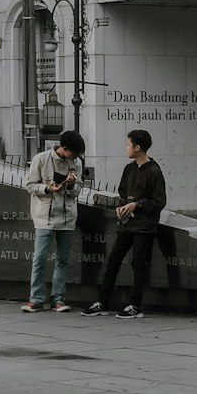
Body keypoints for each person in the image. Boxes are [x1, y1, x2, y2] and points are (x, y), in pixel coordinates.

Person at [82, 128, 166, 320]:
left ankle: (136, 305)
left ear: (137, 147)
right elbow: (122, 193)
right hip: (127, 224)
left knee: (139, 264)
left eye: (128, 144)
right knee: (113, 261)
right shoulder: (129, 169)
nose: (126, 147)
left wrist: (137, 204)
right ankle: (102, 302)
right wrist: (122, 206)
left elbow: (159, 201)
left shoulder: (154, 171)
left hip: (145, 226)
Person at [21, 129, 85, 312]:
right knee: (40, 258)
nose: (74, 157)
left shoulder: (76, 162)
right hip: (44, 217)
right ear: (64, 148)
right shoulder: (41, 159)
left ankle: (58, 298)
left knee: (62, 260)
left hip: (67, 217)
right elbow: (30, 186)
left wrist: (71, 185)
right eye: (73, 153)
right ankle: (36, 298)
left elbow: (78, 190)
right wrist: (48, 189)